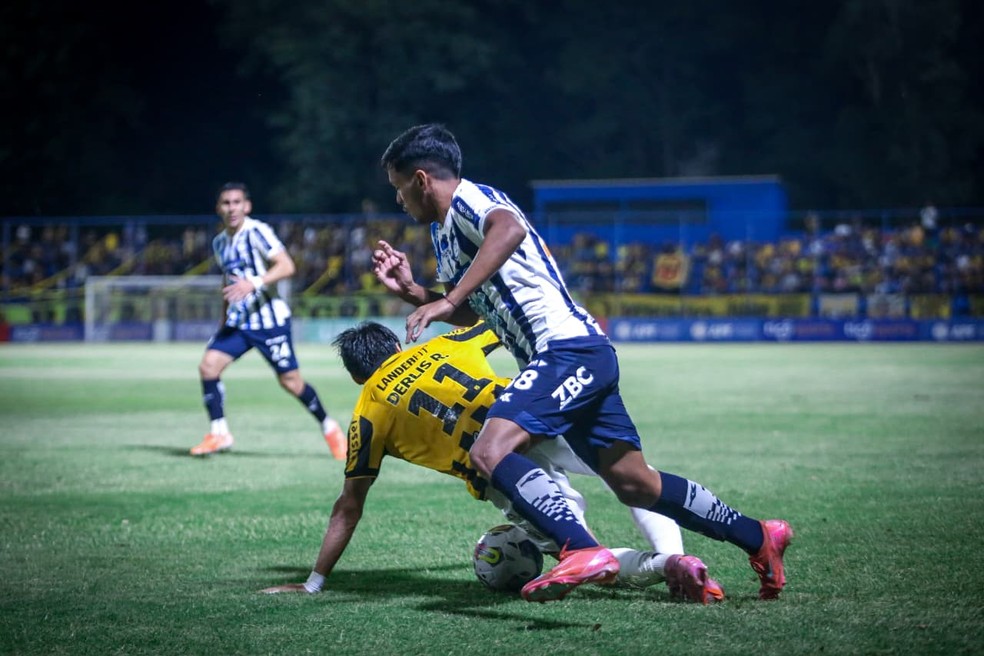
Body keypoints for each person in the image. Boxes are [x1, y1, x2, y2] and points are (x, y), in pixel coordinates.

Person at [374, 124, 792, 603]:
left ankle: (580, 549)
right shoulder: (442, 234)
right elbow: (471, 306)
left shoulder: (472, 199)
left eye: (399, 187)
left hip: (566, 350)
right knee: (635, 483)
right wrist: (414, 292)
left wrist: (447, 304)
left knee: (489, 451)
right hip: (576, 356)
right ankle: (758, 535)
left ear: (422, 179)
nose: (399, 200)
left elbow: (507, 229)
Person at [261, 321, 723, 602]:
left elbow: (349, 506)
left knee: (580, 550)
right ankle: (677, 555)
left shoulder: (367, 414)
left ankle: (666, 568)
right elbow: (496, 320)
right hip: (530, 415)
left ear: (358, 375)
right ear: (396, 348)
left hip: (500, 470)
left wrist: (315, 582)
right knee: (630, 477)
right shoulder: (444, 345)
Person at [189, 182, 346, 459]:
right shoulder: (220, 242)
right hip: (239, 325)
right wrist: (223, 318)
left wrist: (255, 282)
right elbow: (229, 282)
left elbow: (287, 265)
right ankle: (219, 432)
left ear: (246, 206)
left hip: (270, 324)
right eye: (226, 203)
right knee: (208, 366)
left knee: (291, 382)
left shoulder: (257, 232)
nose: (231, 208)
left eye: (237, 202)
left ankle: (329, 427)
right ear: (218, 208)